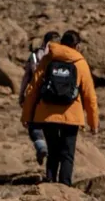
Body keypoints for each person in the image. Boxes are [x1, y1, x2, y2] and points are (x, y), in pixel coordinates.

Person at [20, 30, 98, 185]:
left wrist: (27, 116)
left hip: (47, 114)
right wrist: (93, 122)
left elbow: (32, 90)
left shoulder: (48, 59)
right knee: (67, 153)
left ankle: (50, 182)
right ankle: (64, 185)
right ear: (77, 45)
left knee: (53, 151)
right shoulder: (80, 63)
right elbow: (89, 96)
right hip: (72, 116)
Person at [19, 31, 60, 165]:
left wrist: (21, 95)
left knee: (33, 125)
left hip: (36, 95)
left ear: (44, 42)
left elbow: (27, 77)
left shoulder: (35, 56)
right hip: (56, 97)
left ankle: (41, 146)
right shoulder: (63, 56)